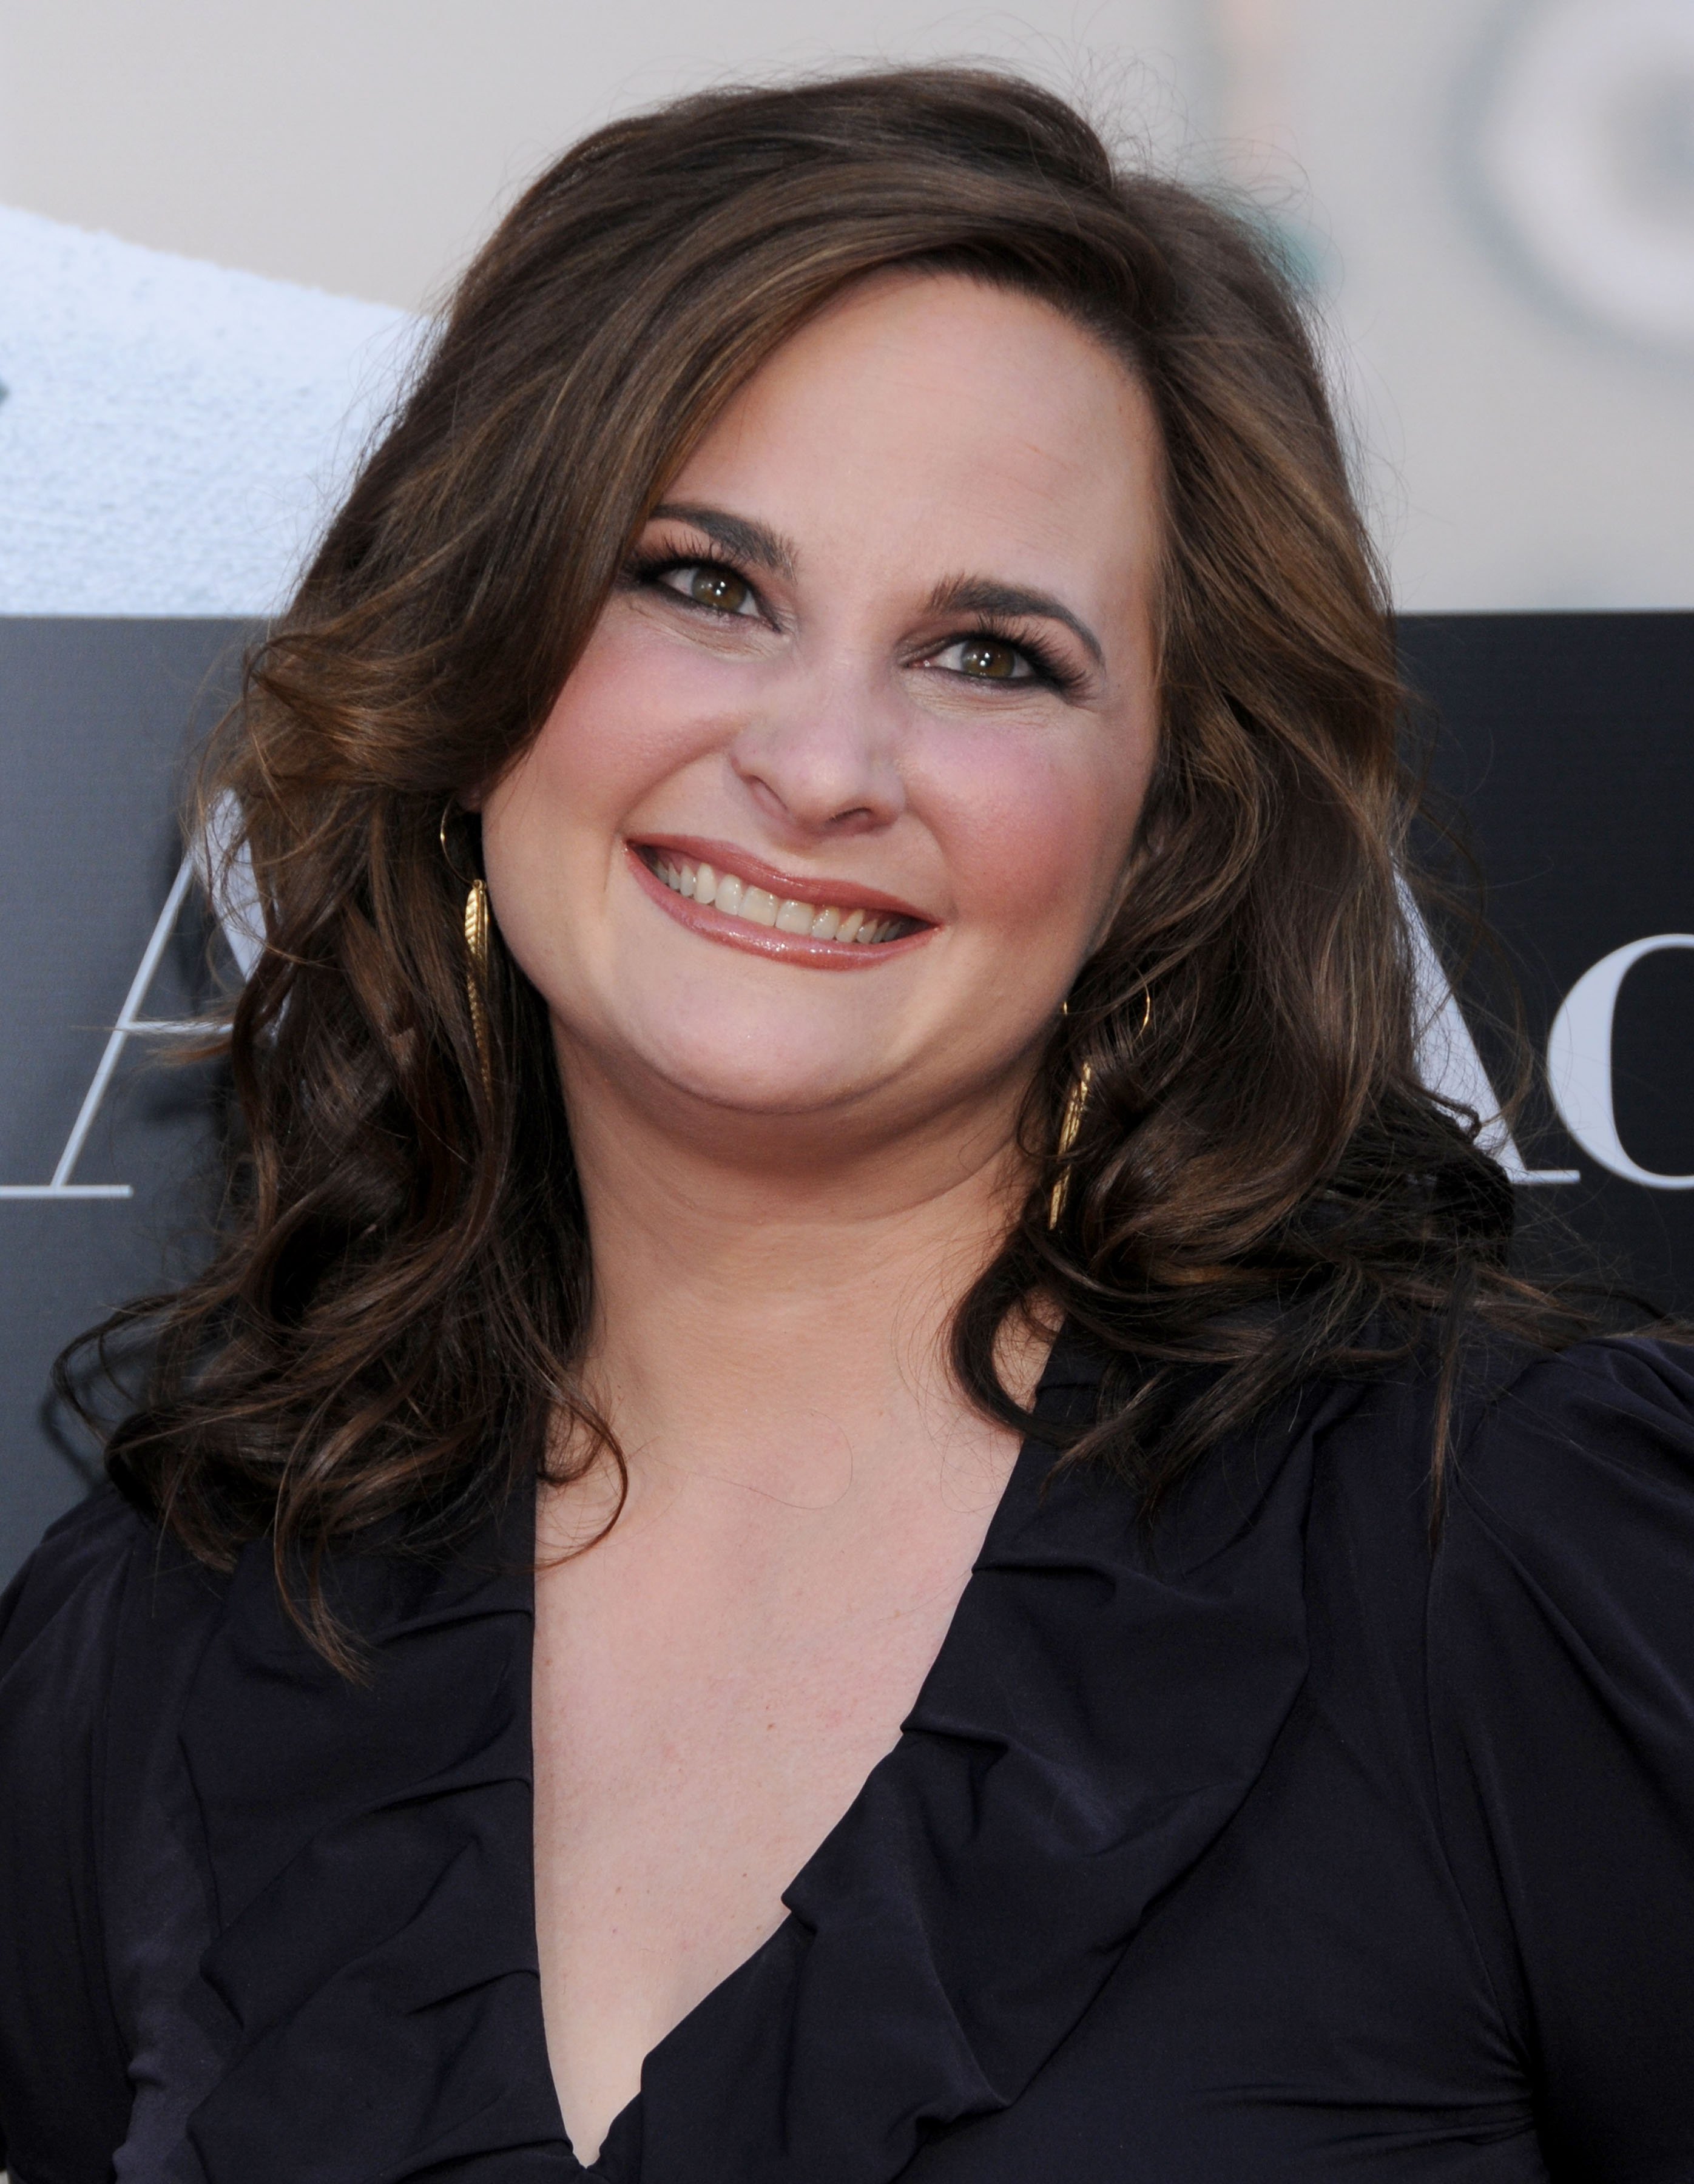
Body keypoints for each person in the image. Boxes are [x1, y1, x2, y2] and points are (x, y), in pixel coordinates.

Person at [2, 65, 1691, 2184]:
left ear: (1165, 825)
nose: (820, 762)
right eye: (701, 583)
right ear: (479, 659)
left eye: (992, 653)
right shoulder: (150, 1644)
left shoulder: (1506, 1543)